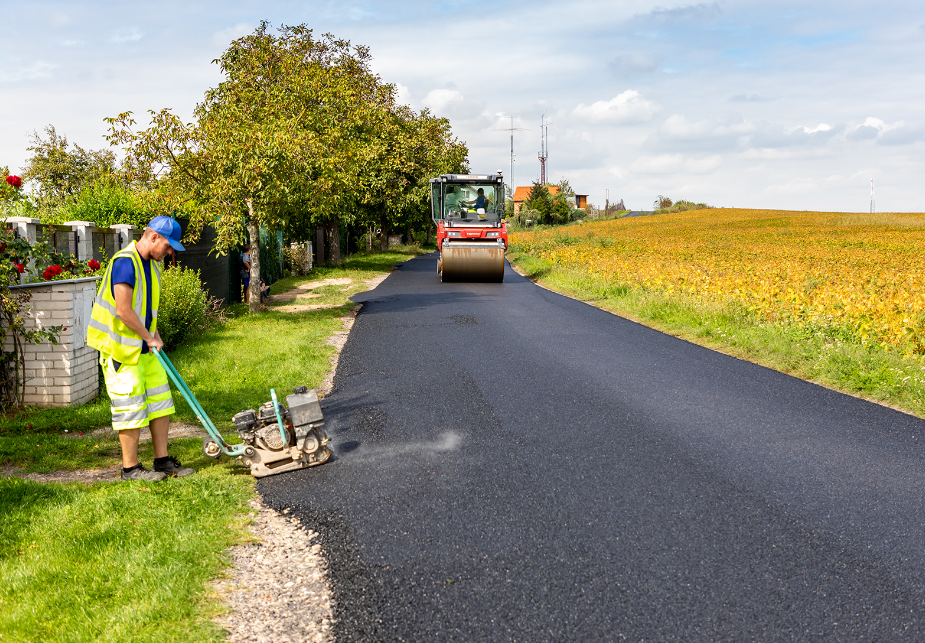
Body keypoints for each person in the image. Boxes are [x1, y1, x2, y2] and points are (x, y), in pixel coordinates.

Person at [87, 216, 195, 482]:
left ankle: (162, 462)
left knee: (160, 404)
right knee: (130, 409)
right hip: (122, 352)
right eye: (169, 247)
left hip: (146, 350)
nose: (170, 253)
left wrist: (154, 336)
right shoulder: (125, 262)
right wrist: (148, 337)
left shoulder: (150, 266)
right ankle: (130, 469)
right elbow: (123, 310)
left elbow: (146, 310)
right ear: (154, 237)